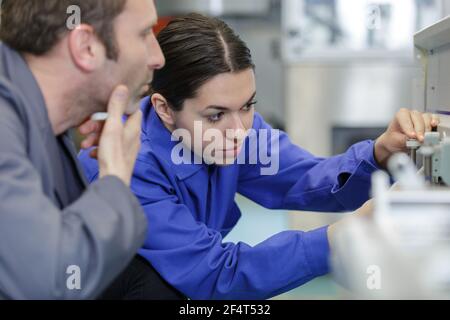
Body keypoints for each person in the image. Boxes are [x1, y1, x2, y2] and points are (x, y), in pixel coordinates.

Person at [79, 13, 439, 300]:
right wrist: (336, 237)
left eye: (247, 105)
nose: (240, 131)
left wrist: (379, 155)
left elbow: (306, 178)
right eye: (215, 115)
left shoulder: (235, 131)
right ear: (164, 108)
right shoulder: (129, 166)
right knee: (166, 285)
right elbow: (214, 275)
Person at [0, 0, 175, 299]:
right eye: (144, 34)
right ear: (86, 47)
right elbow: (50, 281)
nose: (157, 57)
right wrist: (115, 180)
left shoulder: (43, 121)